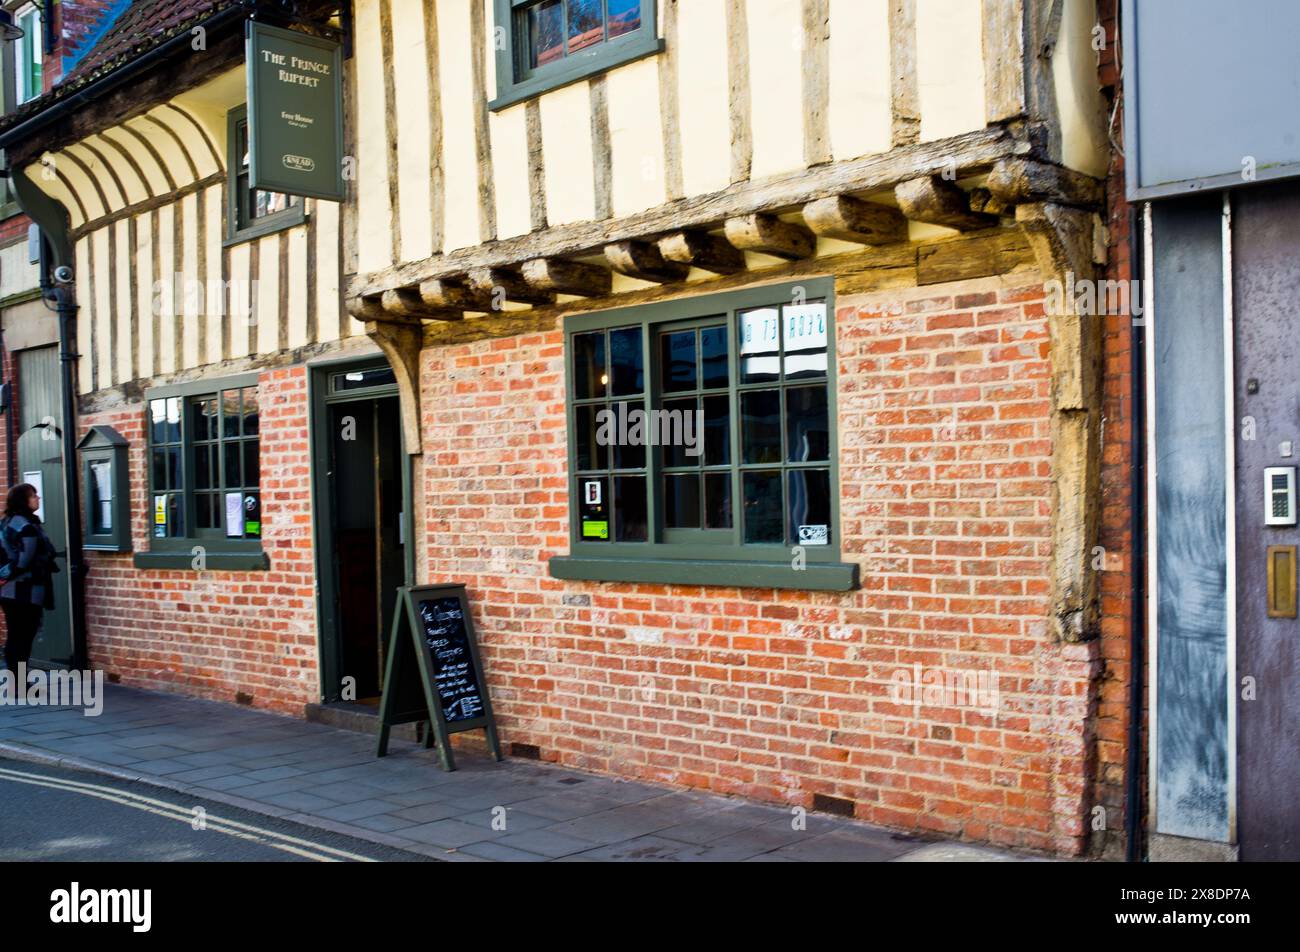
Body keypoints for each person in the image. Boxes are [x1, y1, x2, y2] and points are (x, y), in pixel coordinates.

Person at [0, 483, 59, 674]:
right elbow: (24, 561)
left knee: (15, 636)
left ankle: (16, 681)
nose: (37, 498)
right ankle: (19, 683)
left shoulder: (6, 521)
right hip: (25, 591)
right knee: (23, 637)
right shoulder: (27, 527)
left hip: (8, 590)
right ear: (22, 500)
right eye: (33, 495)